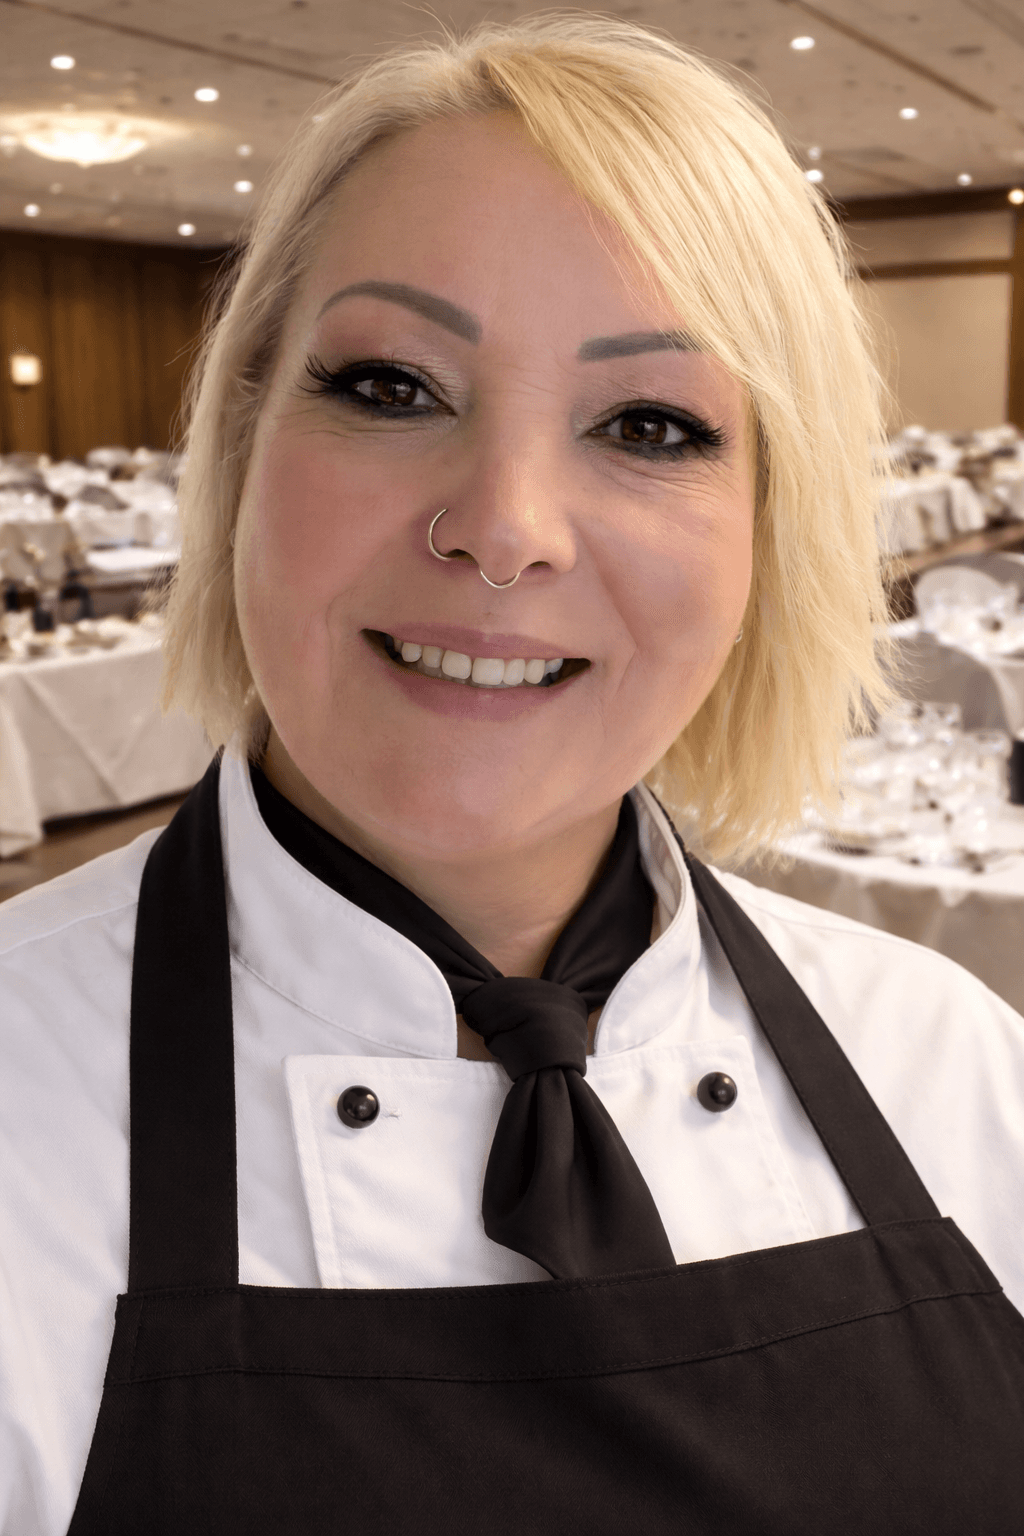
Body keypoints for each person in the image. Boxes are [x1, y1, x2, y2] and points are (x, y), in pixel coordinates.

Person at [2, 15, 1022, 1534]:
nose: (507, 526)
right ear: (238, 443)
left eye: (651, 424)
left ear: (769, 535)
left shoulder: (957, 1067)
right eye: (392, 388)